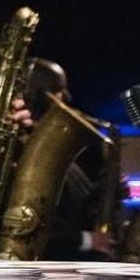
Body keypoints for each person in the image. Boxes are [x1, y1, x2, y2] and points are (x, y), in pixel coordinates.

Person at [24, 60, 115, 260]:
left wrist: (106, 191)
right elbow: (35, 224)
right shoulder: (25, 148)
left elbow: (75, 206)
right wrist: (89, 240)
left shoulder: (55, 151)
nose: (67, 96)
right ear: (37, 94)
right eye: (58, 89)